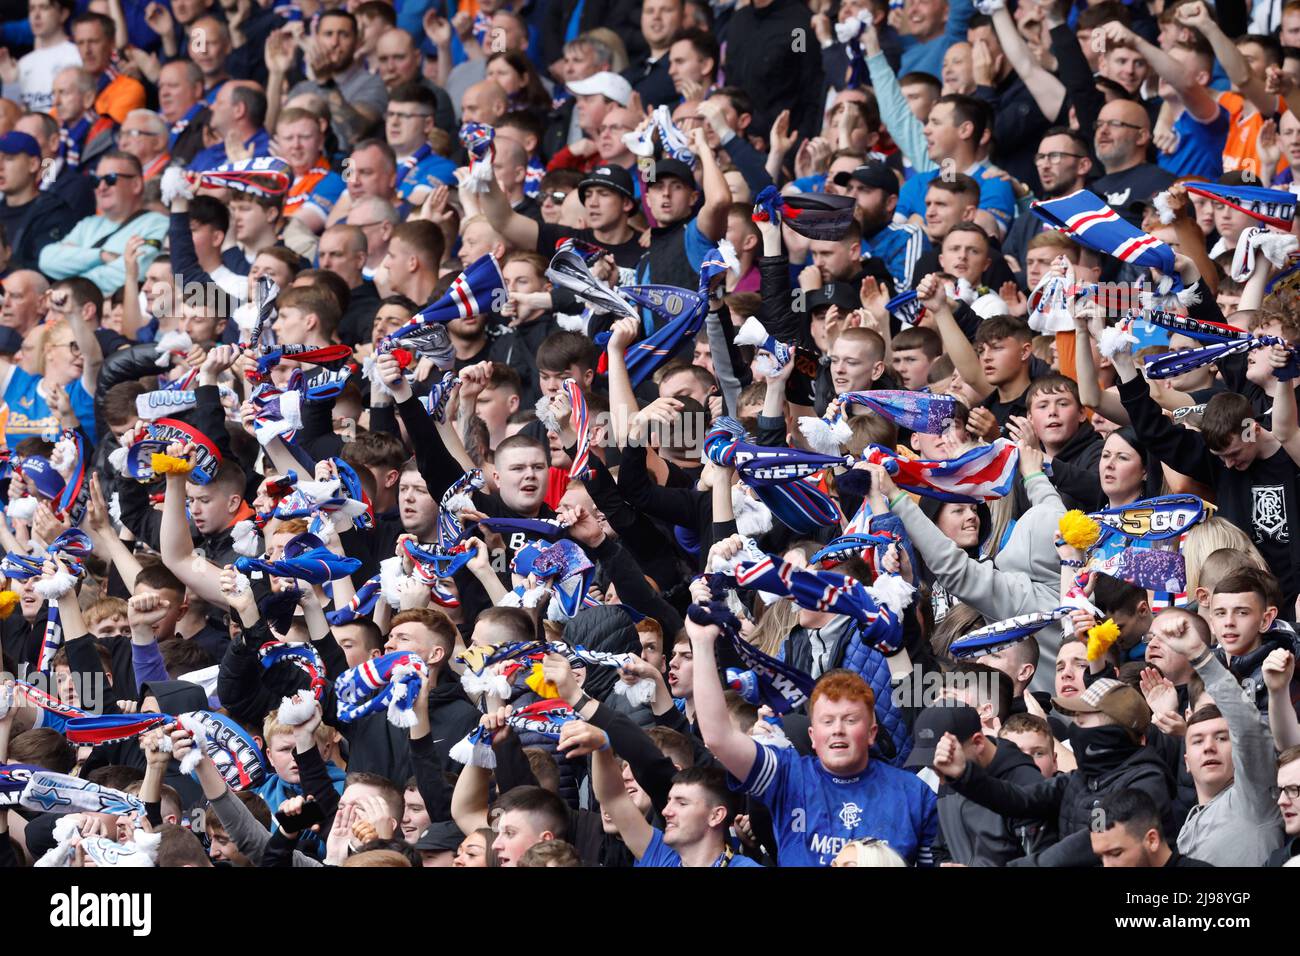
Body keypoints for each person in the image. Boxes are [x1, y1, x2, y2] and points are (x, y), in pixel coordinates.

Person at [38, 151, 167, 294]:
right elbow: (47, 260)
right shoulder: (87, 224)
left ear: (136, 184)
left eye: (111, 179)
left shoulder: (157, 223)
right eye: (96, 180)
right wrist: (101, 256)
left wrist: (72, 274)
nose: (101, 187)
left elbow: (134, 272)